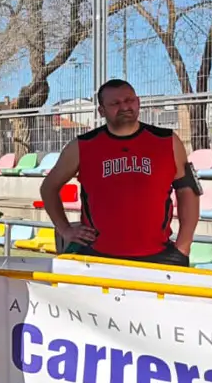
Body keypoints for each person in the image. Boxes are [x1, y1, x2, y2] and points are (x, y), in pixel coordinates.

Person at [41, 79, 197, 265]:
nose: (124, 107)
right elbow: (48, 188)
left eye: (129, 100)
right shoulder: (82, 146)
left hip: (159, 255)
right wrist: (65, 229)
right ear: (101, 110)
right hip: (98, 256)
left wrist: (184, 245)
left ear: (138, 102)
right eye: (115, 103)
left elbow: (188, 191)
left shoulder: (168, 141)